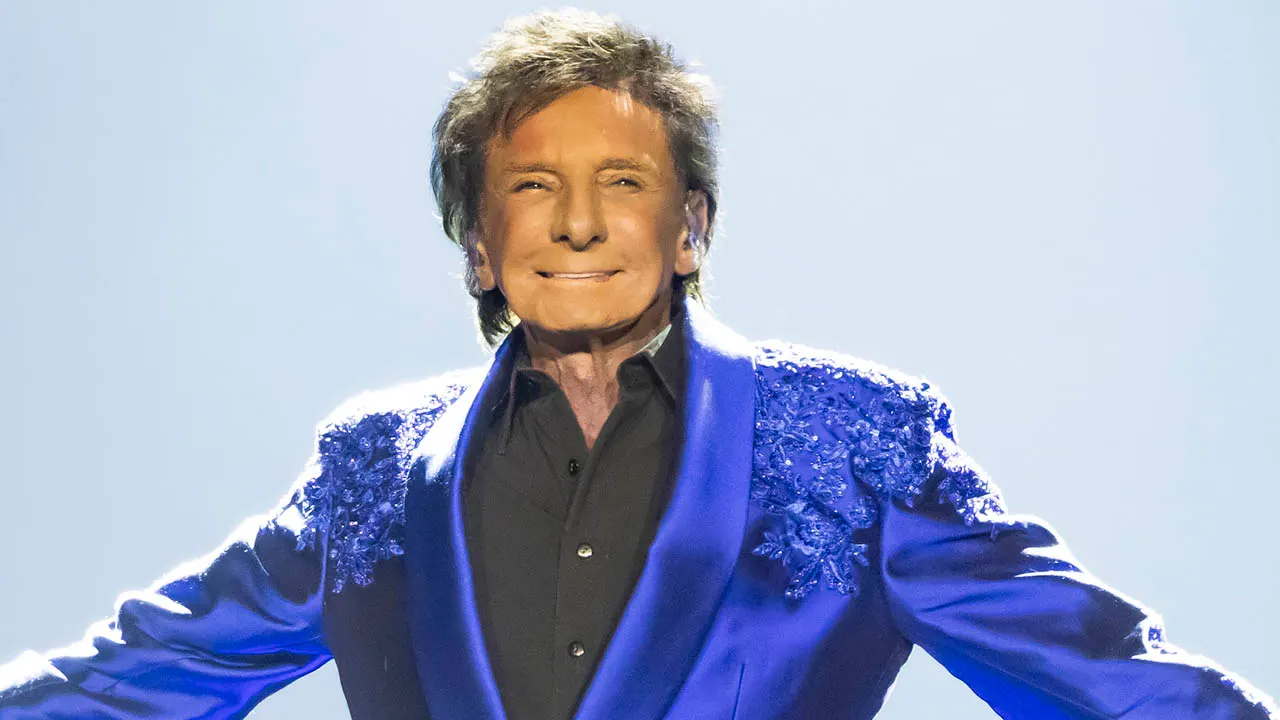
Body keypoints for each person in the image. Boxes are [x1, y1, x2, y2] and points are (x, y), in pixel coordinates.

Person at [0, 9, 1274, 720]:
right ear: (477, 248)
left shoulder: (859, 437)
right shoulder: (370, 469)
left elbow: (1105, 677)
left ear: (689, 229)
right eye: (529, 188)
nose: (576, 223)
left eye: (621, 183)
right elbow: (133, 680)